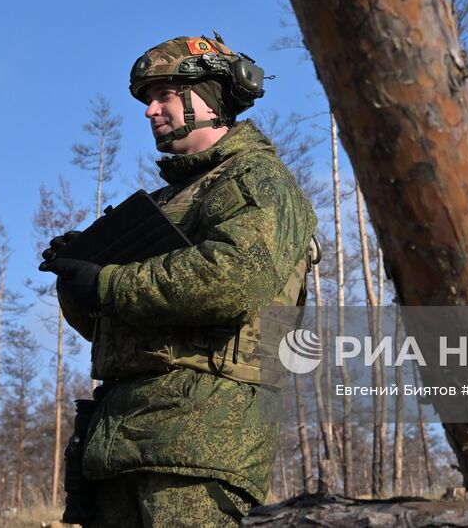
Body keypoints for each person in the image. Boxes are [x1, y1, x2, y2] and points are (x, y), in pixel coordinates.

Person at [41, 35, 318, 527]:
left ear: (208, 97)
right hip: (123, 435)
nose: (150, 110)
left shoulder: (256, 180)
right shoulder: (172, 198)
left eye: (164, 94)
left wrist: (107, 282)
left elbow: (230, 281)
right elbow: (118, 328)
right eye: (148, 99)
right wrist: (78, 276)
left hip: (199, 437)